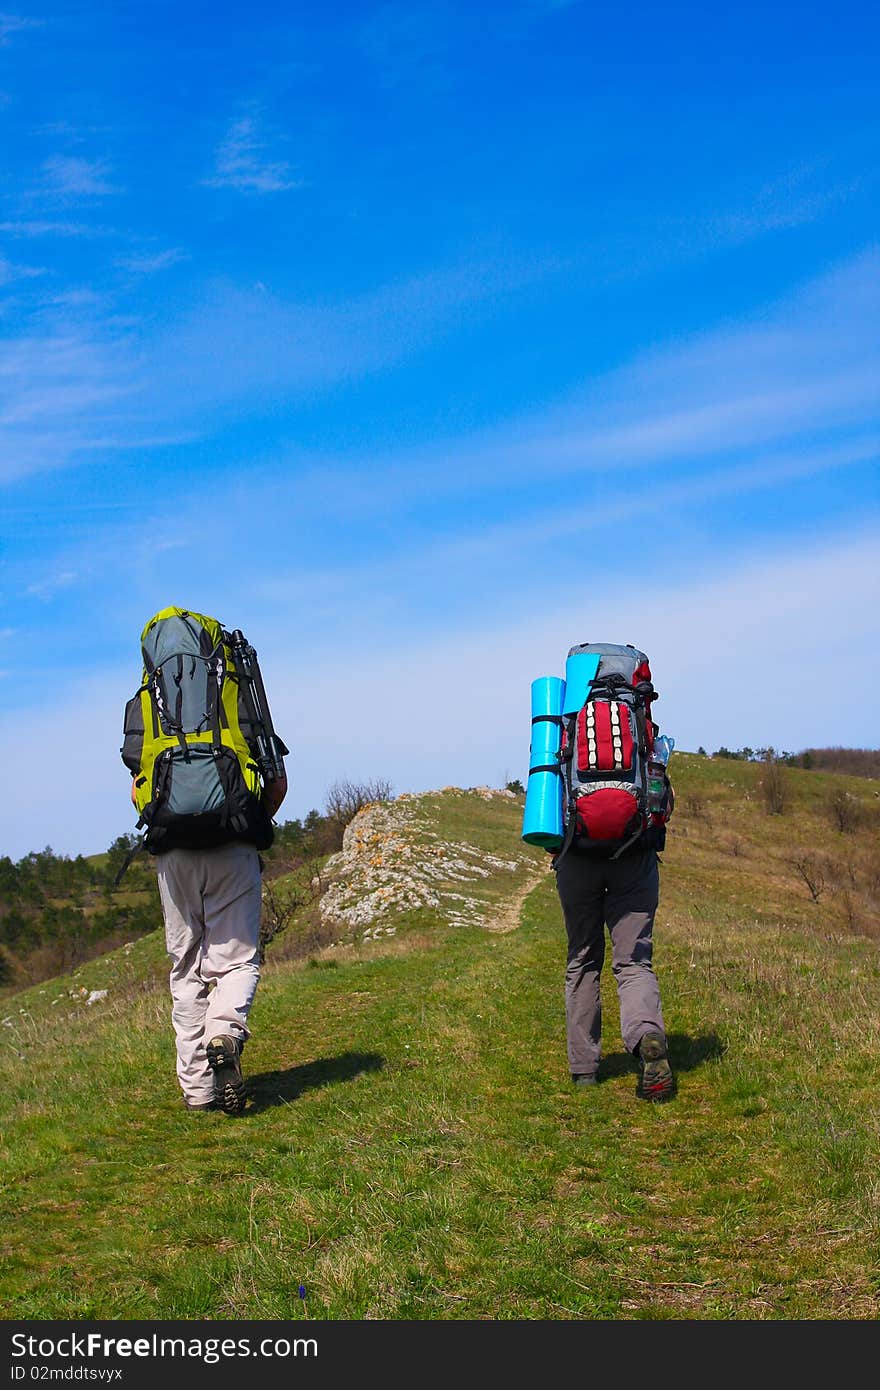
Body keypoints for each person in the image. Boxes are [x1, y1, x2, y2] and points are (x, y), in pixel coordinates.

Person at [122, 608, 288, 1115]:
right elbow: (276, 781)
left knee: (185, 967)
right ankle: (224, 1036)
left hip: (172, 852)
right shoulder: (234, 686)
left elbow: (136, 783)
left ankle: (198, 1092)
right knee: (235, 959)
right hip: (232, 843)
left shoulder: (146, 699)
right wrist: (253, 822)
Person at [550, 642, 675, 1101]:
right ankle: (646, 1039)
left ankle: (584, 1070)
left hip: (577, 854)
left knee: (582, 958)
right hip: (634, 853)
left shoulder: (567, 716)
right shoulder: (639, 719)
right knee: (633, 961)